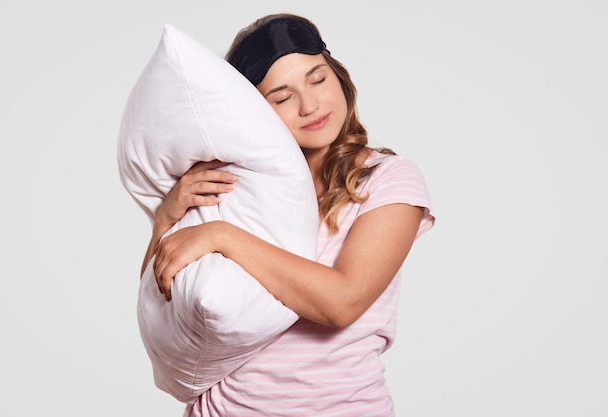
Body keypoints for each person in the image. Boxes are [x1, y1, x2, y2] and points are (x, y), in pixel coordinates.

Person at [143, 13, 435, 416]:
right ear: (252, 114)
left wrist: (223, 237)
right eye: (281, 97)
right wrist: (165, 221)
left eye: (318, 79)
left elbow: (343, 303)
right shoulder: (230, 184)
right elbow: (163, 311)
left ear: (338, 76)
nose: (309, 105)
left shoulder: (386, 179)